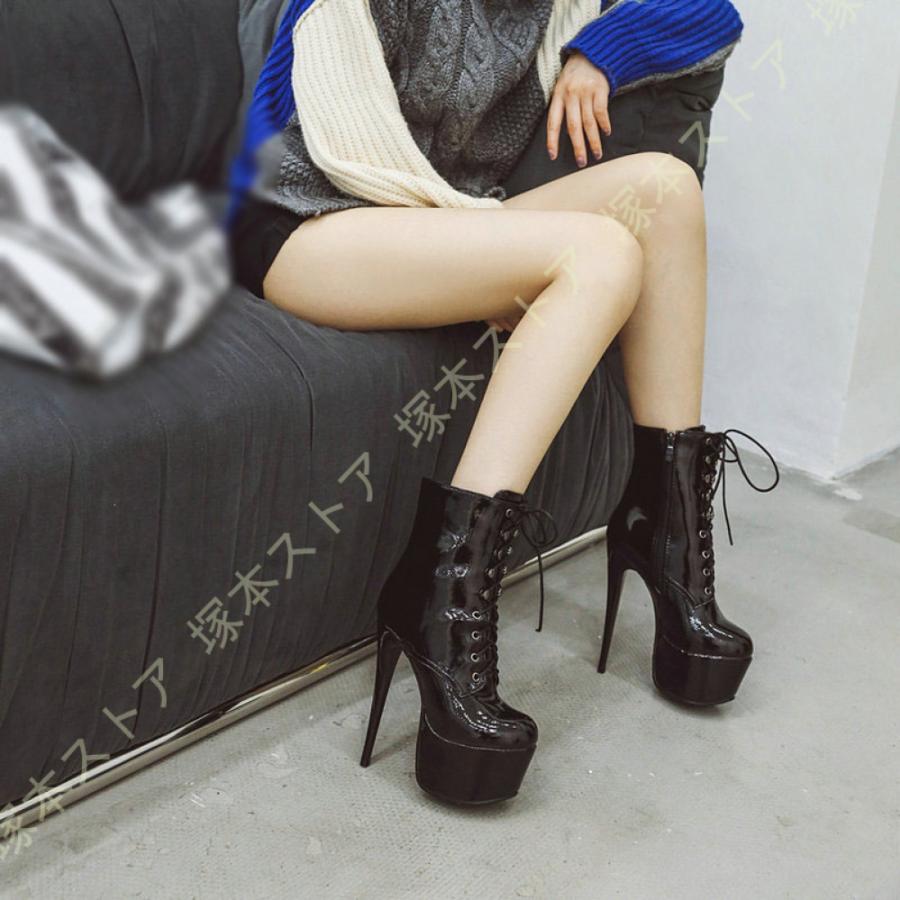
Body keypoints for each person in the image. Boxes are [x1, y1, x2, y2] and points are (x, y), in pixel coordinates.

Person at [227, 0, 780, 807]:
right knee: (599, 254)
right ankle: (441, 593)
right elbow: (346, 153)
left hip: (443, 227)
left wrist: (599, 53)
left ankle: (666, 538)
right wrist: (489, 257)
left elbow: (708, 15)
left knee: (666, 189)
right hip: (309, 226)